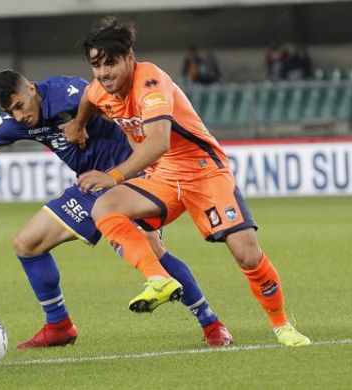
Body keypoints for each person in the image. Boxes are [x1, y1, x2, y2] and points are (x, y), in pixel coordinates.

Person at [0, 70, 233, 348]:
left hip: (131, 177)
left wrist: (80, 123)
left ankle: (211, 323)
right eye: (10, 112)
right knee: (27, 243)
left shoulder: (67, 93)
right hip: (89, 185)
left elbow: (101, 97)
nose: (20, 116)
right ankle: (59, 326)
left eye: (21, 105)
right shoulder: (13, 123)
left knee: (155, 253)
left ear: (32, 89)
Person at [64, 17, 311, 347]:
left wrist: (113, 176)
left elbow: (158, 143)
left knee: (247, 256)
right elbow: (89, 100)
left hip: (204, 172)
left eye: (110, 62)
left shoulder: (149, 81)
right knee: (106, 207)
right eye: (96, 65)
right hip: (164, 177)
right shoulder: (99, 88)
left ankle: (282, 326)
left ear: (130, 57)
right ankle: (157, 279)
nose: (103, 72)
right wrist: (79, 125)